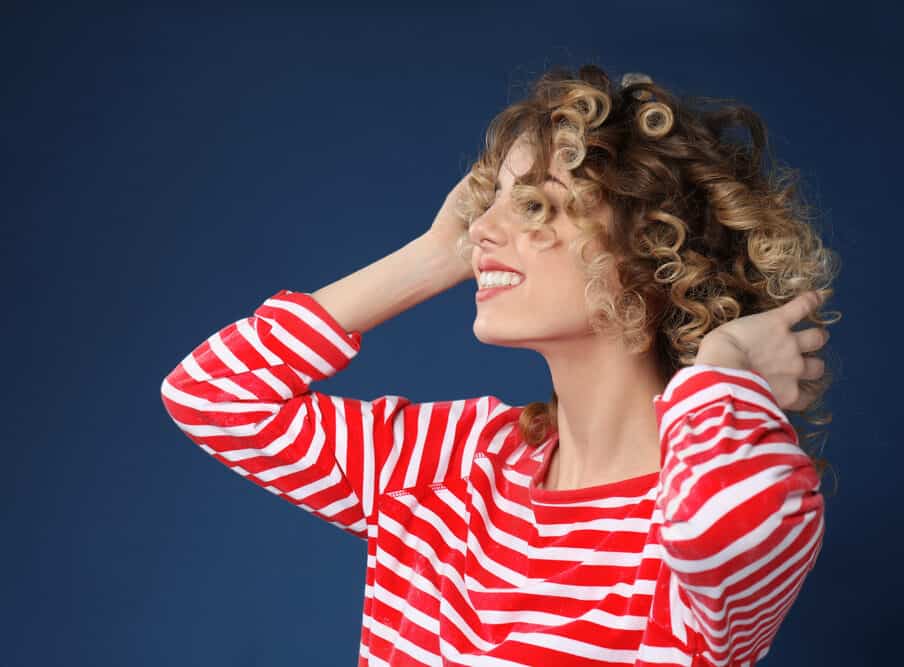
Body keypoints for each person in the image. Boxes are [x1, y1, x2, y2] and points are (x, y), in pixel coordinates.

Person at [160, 64, 840, 666]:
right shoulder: (453, 464)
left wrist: (721, 368)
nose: (482, 230)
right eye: (493, 203)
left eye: (536, 204)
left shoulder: (711, 507)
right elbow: (213, 395)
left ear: (649, 248)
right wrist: (433, 257)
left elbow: (714, 530)